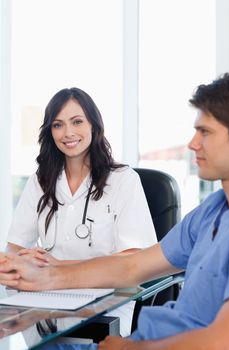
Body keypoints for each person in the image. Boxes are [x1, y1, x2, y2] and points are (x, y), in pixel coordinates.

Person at [1, 72, 229, 349]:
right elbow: (133, 266)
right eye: (58, 125)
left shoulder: (122, 180)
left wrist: (129, 348)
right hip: (136, 334)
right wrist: (42, 272)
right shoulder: (209, 212)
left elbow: (221, 340)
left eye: (204, 131)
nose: (192, 144)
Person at [4, 87, 157, 336]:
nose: (68, 133)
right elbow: (15, 247)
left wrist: (57, 267)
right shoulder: (40, 180)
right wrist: (23, 260)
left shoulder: (123, 181)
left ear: (93, 126)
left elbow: (134, 260)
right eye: (58, 125)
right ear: (49, 132)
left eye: (77, 122)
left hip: (107, 300)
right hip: (46, 302)